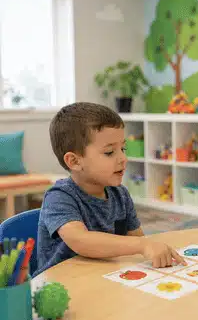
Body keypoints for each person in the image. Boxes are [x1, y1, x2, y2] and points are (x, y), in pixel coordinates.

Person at [34, 102, 186, 277]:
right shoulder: (59, 197)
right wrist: (142, 245)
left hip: (105, 278)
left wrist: (152, 248)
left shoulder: (120, 194)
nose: (123, 158)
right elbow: (81, 240)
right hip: (61, 288)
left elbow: (138, 239)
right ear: (75, 161)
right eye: (109, 152)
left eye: (123, 148)